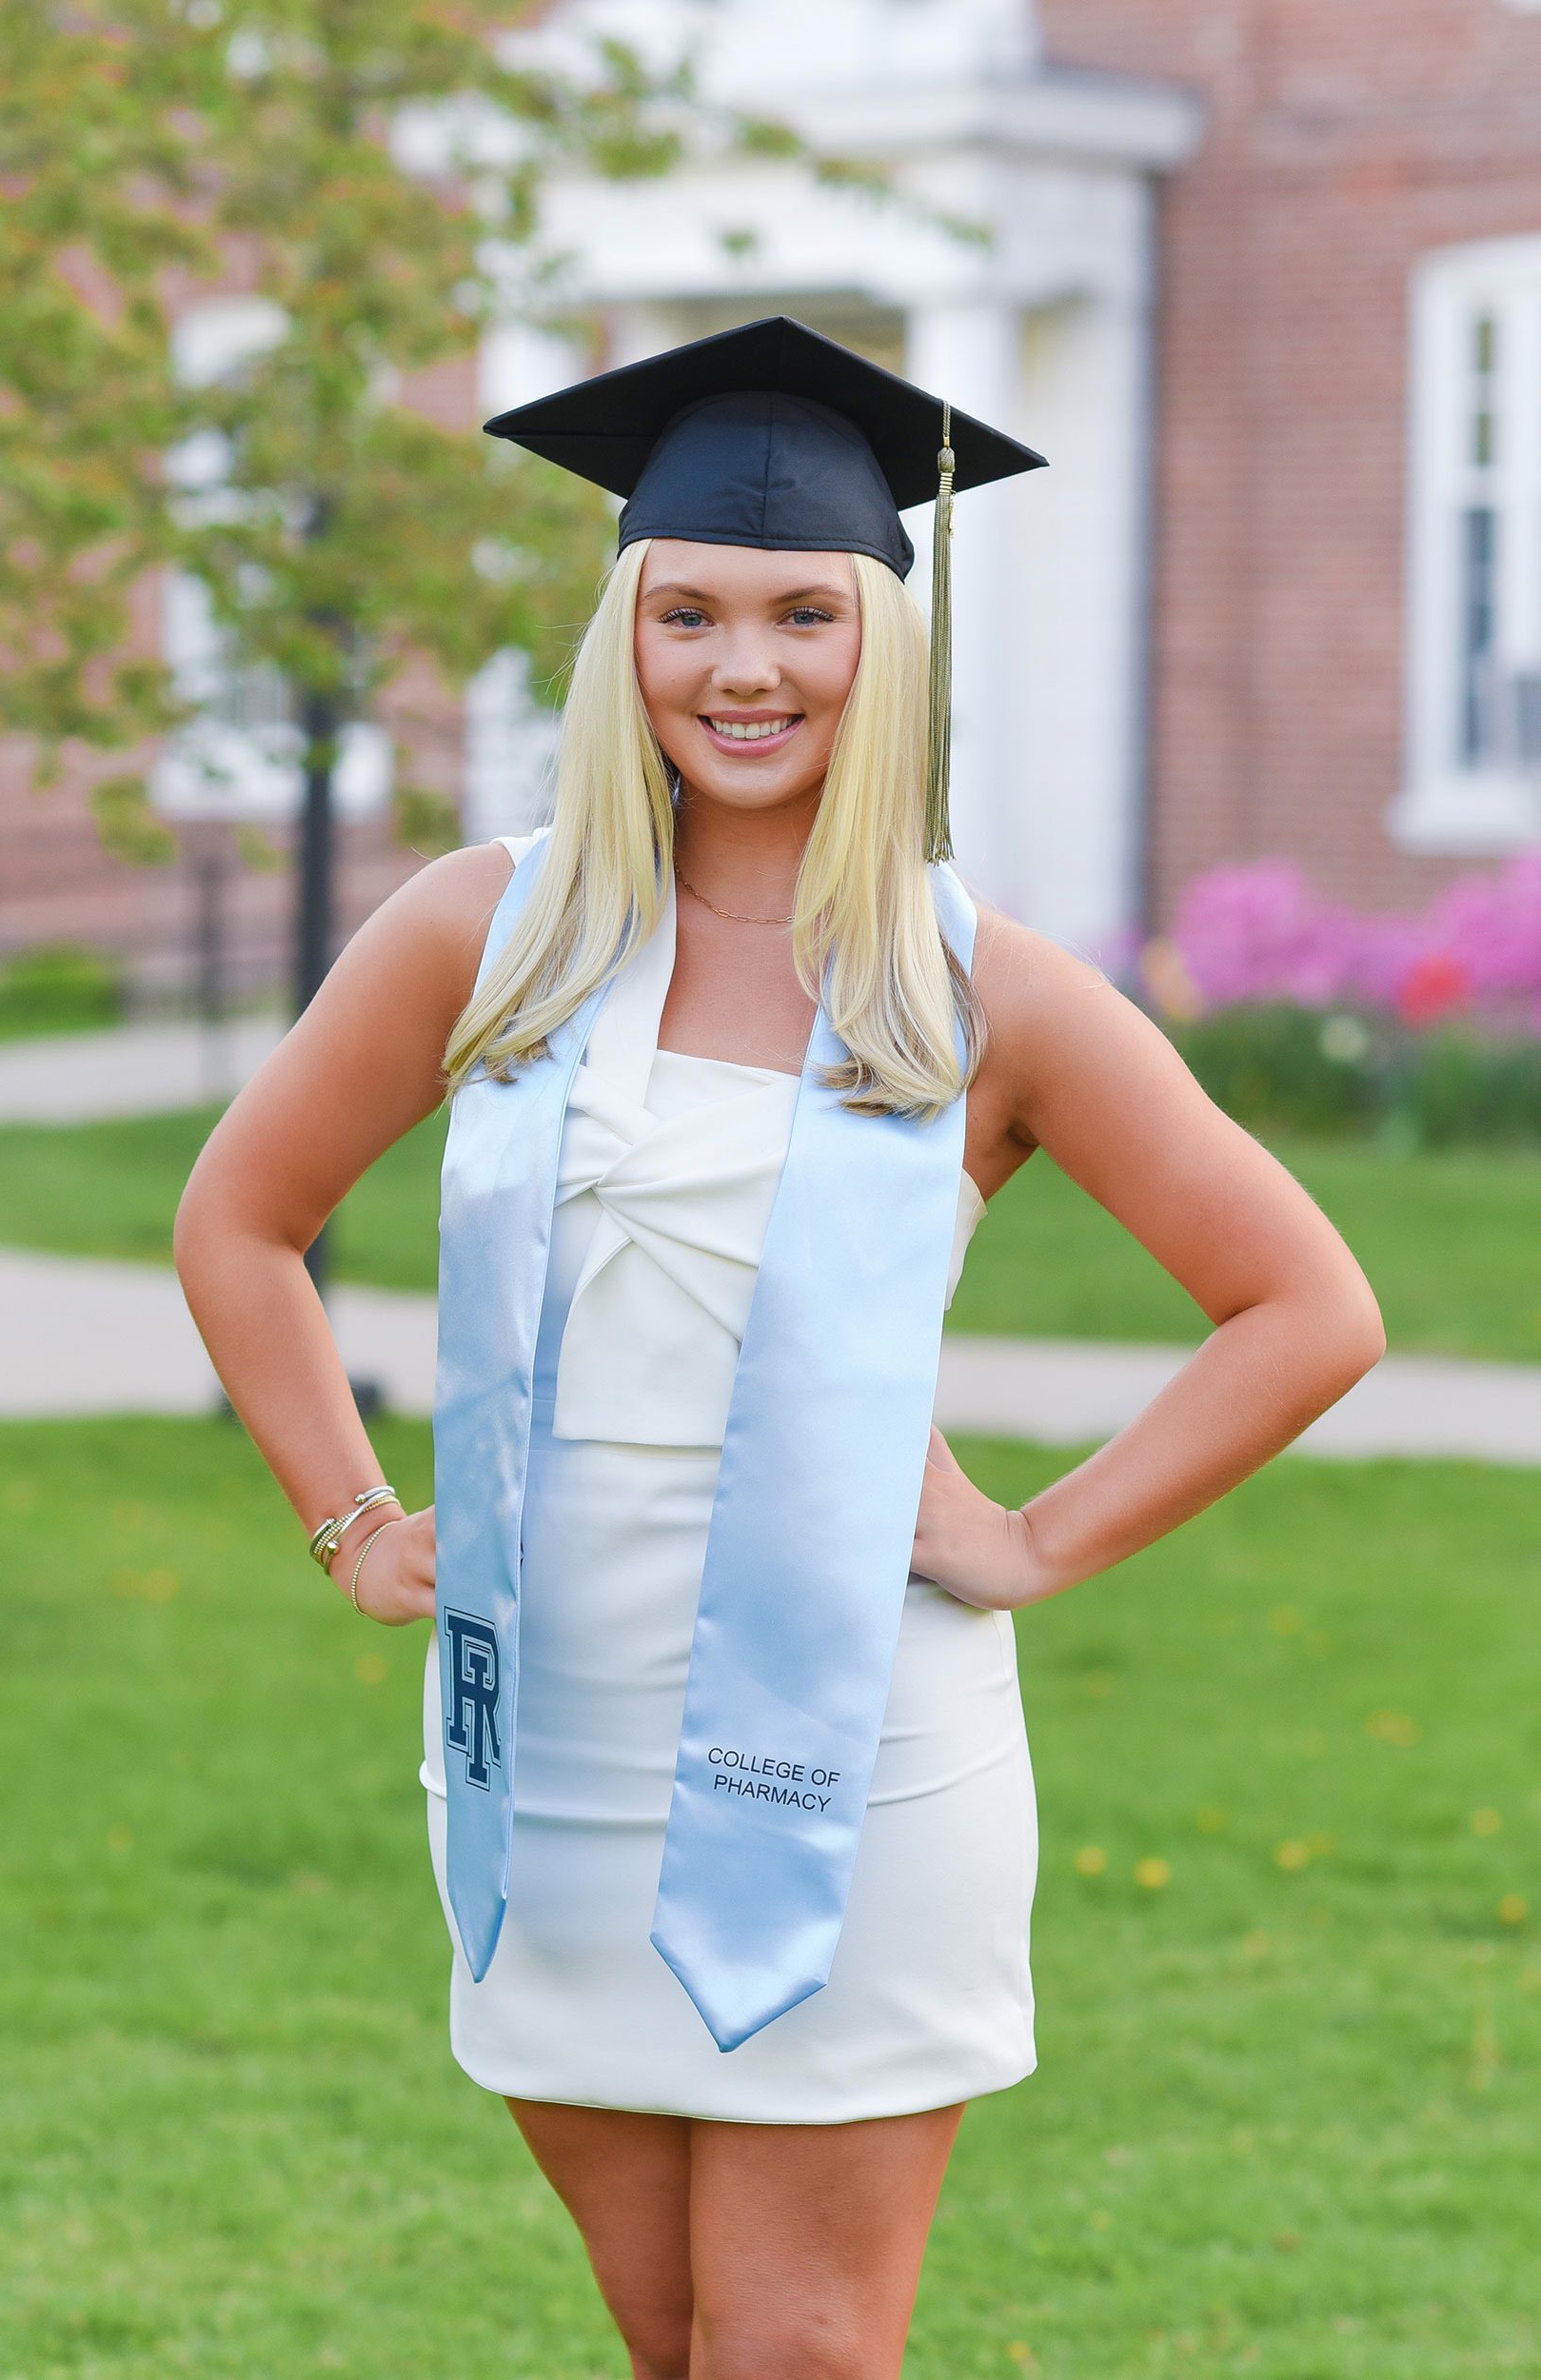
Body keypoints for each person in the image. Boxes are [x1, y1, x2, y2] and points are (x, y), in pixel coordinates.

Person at [173, 317, 1387, 2380]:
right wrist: (353, 1517)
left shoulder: (973, 984)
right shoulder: (496, 931)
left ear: (883, 637)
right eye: (692, 613)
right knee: (672, 2344)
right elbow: (239, 1217)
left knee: (799, 2351)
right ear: (620, 634)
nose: (746, 667)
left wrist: (1033, 1538)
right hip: (544, 1744)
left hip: (854, 1756)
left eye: (805, 612)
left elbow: (1309, 1307)